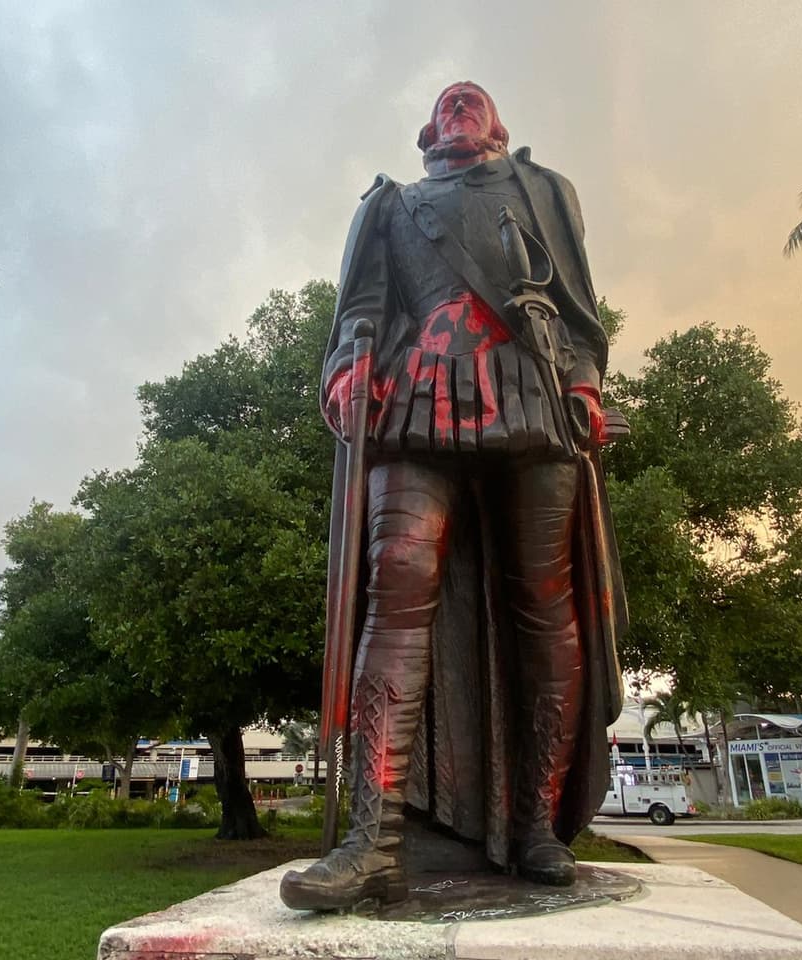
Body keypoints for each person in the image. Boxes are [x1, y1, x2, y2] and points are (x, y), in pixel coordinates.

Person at [279, 82, 626, 912]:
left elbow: (579, 315)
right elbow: (360, 313)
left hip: (532, 392)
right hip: (417, 398)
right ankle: (374, 843)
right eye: (448, 102)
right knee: (395, 587)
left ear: (498, 126)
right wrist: (347, 371)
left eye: (475, 100)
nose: (461, 105)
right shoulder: (389, 207)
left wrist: (583, 382)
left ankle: (537, 826)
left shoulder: (544, 191)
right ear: (427, 131)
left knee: (545, 603)